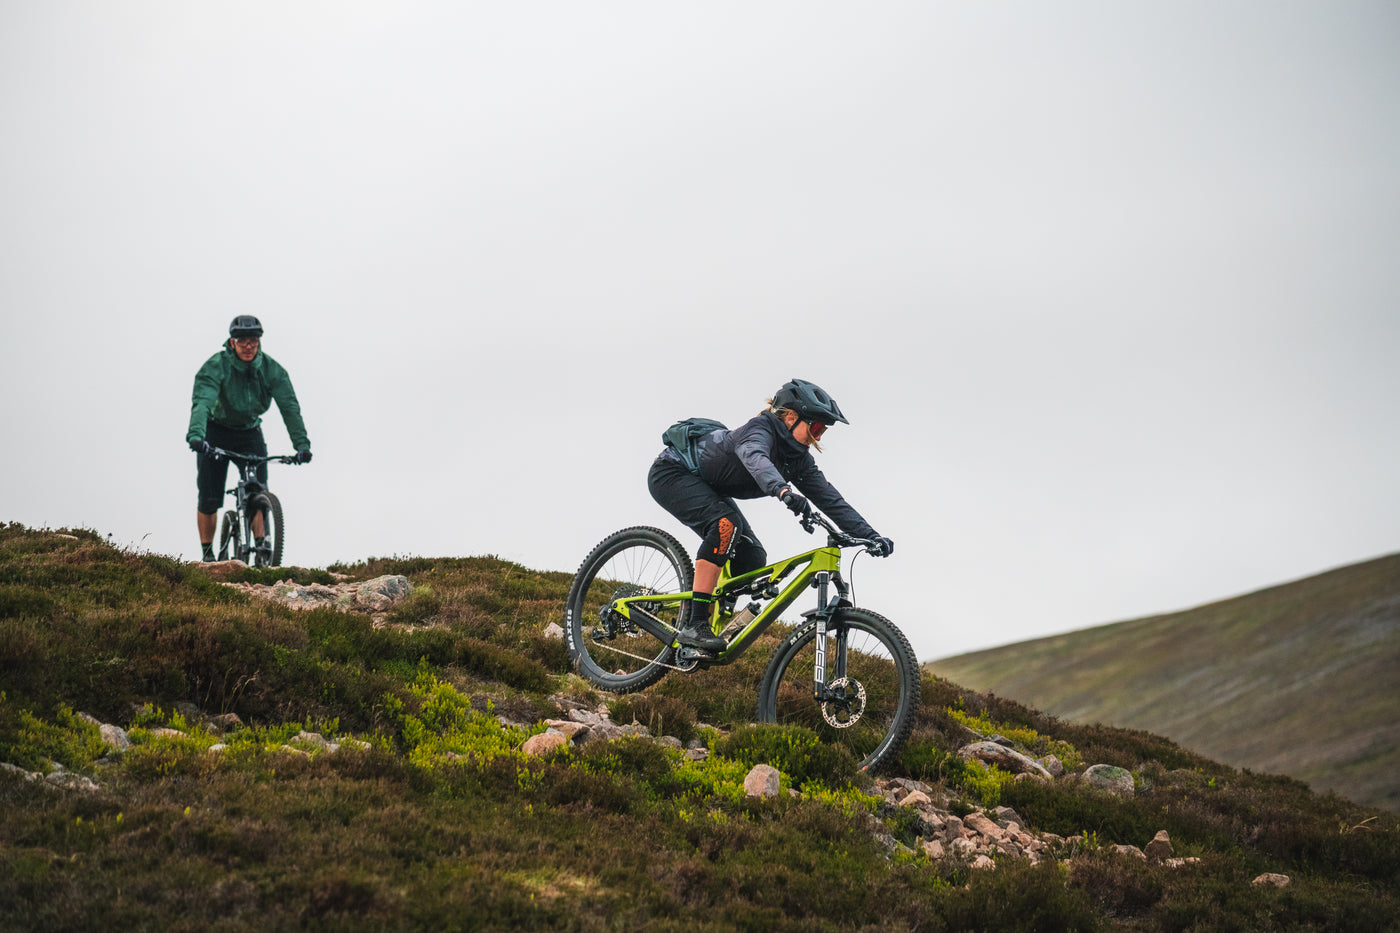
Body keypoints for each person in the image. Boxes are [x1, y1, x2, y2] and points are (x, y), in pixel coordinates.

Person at [647, 378, 894, 654]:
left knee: (753, 558)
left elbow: (831, 499)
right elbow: (754, 456)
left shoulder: (798, 460)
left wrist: (870, 535)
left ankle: (712, 608)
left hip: (709, 486)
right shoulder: (760, 429)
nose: (819, 437)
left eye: (823, 431)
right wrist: (783, 491)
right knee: (725, 526)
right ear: (790, 417)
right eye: (815, 427)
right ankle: (695, 624)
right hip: (672, 472)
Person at [187, 316, 311, 562]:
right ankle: (208, 555)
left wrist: (302, 446)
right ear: (232, 342)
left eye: (253, 341)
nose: (248, 346)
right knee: (209, 497)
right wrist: (197, 435)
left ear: (259, 342)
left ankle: (262, 551)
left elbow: (290, 407)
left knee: (257, 491)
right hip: (215, 431)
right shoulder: (215, 367)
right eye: (241, 341)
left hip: (249, 432)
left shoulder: (272, 371)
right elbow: (202, 402)